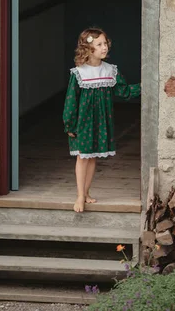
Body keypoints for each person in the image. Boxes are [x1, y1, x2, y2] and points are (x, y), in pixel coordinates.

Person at [63, 27, 141, 213]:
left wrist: (143, 86)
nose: (104, 47)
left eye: (105, 43)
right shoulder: (79, 73)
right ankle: (80, 195)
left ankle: (87, 192)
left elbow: (124, 91)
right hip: (83, 123)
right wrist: (70, 124)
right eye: (99, 44)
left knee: (92, 158)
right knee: (83, 157)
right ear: (89, 49)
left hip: (101, 121)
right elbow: (71, 101)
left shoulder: (110, 71)